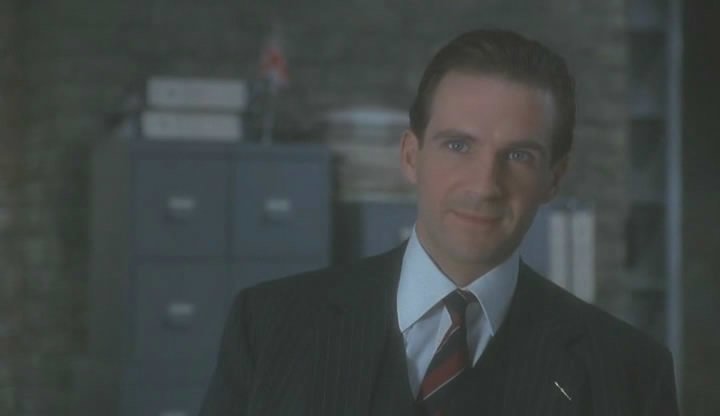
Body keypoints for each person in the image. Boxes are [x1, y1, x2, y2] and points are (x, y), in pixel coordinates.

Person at [199, 29, 680, 416]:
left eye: (518, 155)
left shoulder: (630, 372)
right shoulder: (269, 327)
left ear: (553, 178)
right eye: (458, 145)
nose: (485, 185)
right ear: (411, 156)